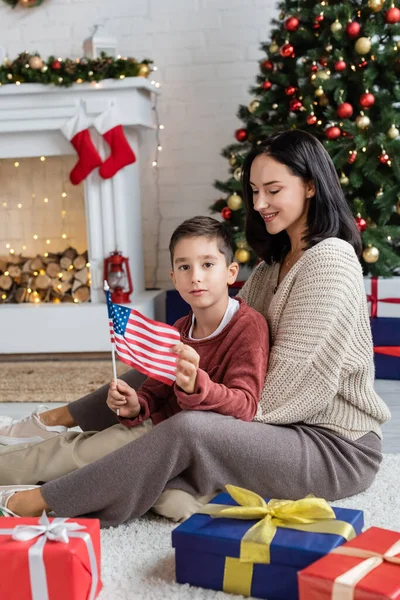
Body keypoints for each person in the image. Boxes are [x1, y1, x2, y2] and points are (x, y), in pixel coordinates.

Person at [0, 129, 391, 527]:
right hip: (279, 431)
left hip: (332, 446)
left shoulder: (330, 261)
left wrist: (186, 398)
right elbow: (227, 347)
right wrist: (171, 380)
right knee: (164, 365)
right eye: (254, 190)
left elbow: (276, 396)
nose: (259, 204)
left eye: (273, 190)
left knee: (188, 428)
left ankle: (40, 502)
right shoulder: (275, 264)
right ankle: (53, 422)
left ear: (310, 186)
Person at [0, 216, 269, 519]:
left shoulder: (248, 327)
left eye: (207, 265)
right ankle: (10, 470)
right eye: (184, 267)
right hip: (155, 435)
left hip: (199, 450)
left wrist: (198, 386)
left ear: (231, 272)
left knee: (174, 505)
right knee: (78, 453)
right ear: (173, 277)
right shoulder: (179, 329)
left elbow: (246, 405)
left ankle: (92, 484)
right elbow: (154, 391)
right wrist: (134, 405)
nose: (196, 276)